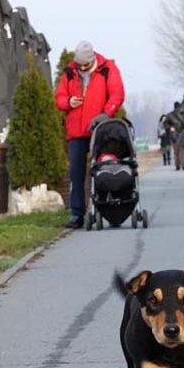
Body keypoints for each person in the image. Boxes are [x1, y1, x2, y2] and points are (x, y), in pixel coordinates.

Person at [55, 41, 125, 229]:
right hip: (76, 131)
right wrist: (69, 101)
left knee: (103, 168)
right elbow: (59, 98)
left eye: (86, 65)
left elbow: (117, 94)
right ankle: (77, 214)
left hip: (100, 129)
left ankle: (107, 208)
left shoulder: (107, 69)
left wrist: (106, 113)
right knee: (76, 174)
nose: (83, 68)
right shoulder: (69, 72)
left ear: (93, 59)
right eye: (80, 66)